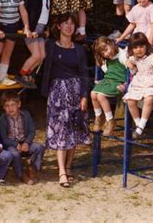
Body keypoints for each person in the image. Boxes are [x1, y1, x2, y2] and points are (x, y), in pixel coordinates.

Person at [41, 13, 90, 188]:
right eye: (65, 23)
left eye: (72, 24)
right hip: (57, 94)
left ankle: (69, 166)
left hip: (76, 92)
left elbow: (84, 73)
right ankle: (61, 171)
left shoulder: (79, 49)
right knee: (61, 130)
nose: (69, 26)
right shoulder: (50, 46)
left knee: (74, 129)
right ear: (59, 26)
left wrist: (85, 95)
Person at [14, 0, 55, 89]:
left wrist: (47, 29)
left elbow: (46, 14)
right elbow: (31, 13)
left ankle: (28, 73)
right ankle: (21, 74)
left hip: (41, 29)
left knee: (42, 55)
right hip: (32, 28)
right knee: (36, 55)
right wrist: (30, 29)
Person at [123, 32, 153, 139]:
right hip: (139, 83)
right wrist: (129, 64)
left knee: (149, 98)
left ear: (146, 46)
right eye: (135, 47)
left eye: (141, 46)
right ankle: (139, 124)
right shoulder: (134, 58)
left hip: (152, 83)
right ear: (132, 49)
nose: (139, 49)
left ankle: (141, 126)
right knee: (130, 100)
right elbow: (132, 67)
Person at [0, 92, 46, 185]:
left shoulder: (26, 115)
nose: (10, 108)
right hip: (10, 144)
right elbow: (3, 138)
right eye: (7, 106)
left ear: (19, 104)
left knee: (39, 147)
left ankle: (33, 168)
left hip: (24, 141)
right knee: (14, 153)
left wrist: (27, 143)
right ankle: (21, 174)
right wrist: (15, 144)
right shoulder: (2, 119)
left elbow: (32, 131)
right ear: (4, 107)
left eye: (12, 105)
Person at [91, 37, 127, 136]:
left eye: (106, 50)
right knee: (93, 94)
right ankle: (99, 117)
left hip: (119, 82)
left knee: (100, 96)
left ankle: (110, 120)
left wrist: (126, 84)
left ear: (110, 43)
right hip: (109, 80)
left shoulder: (122, 55)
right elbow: (107, 71)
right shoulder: (108, 58)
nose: (106, 54)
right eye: (103, 53)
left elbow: (131, 72)